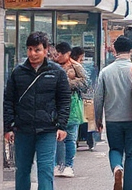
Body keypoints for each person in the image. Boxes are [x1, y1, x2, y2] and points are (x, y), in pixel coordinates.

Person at [3, 32, 71, 190]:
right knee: (22, 170)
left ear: (46, 50)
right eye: (29, 49)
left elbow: (64, 100)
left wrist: (61, 125)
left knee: (45, 170)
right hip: (22, 129)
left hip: (47, 129)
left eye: (37, 50)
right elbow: (8, 100)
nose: (32, 54)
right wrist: (9, 126)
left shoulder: (57, 72)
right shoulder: (18, 72)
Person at [95, 35, 132, 190]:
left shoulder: (105, 72)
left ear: (114, 50)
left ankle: (117, 168)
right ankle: (128, 188)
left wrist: (98, 120)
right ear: (131, 50)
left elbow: (98, 98)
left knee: (115, 149)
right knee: (131, 154)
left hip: (112, 120)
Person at [53, 41, 87, 178]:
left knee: (70, 138)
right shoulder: (51, 66)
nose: (57, 56)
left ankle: (68, 166)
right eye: (56, 53)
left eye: (60, 54)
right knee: (56, 138)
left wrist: (67, 83)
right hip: (55, 106)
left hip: (72, 105)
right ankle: (57, 164)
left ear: (68, 54)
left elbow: (85, 84)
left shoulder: (76, 66)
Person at [71, 46, 96, 151]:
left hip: (81, 98)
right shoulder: (77, 67)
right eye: (81, 57)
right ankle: (89, 141)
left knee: (82, 121)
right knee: (88, 121)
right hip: (84, 98)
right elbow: (87, 83)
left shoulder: (72, 66)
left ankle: (78, 141)